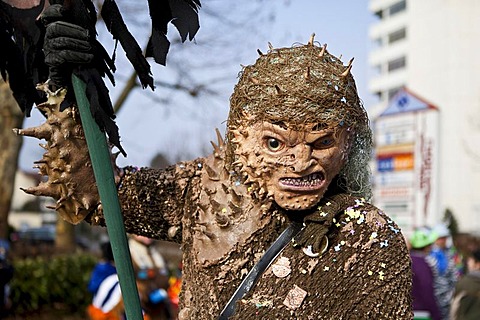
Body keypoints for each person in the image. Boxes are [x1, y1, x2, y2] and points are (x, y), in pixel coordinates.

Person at [15, 11, 413, 319]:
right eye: (275, 142)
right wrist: (66, 90)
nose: (301, 162)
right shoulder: (206, 188)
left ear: (350, 139)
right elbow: (98, 191)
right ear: (239, 134)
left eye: (323, 142)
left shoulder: (370, 238)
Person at [128, 235, 174, 320]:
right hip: (145, 307)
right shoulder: (130, 253)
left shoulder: (156, 251)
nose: (147, 236)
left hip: (162, 306)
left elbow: (164, 275)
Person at [428, 224, 461, 319]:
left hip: (448, 298)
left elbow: (455, 275)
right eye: (440, 238)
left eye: (444, 238)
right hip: (433, 297)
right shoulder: (428, 255)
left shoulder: (450, 254)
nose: (443, 241)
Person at [410, 227, 442, 320]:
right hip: (421, 313)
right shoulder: (423, 265)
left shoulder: (405, 262)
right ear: (427, 246)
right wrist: (436, 315)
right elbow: (427, 290)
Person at [450, 249, 480, 320]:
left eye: (470, 261)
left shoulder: (464, 283)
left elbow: (455, 310)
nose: (468, 263)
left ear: (478, 264)